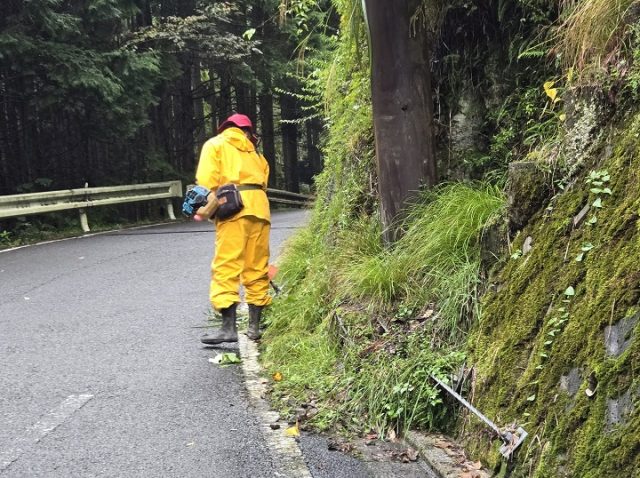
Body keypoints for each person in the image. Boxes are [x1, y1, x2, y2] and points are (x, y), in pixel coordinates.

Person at [195, 113, 272, 344]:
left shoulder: (215, 144)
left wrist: (205, 210)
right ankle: (254, 327)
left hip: (233, 208)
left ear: (226, 128)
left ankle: (228, 329)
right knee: (257, 267)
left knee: (227, 265)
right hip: (260, 210)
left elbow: (206, 182)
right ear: (247, 132)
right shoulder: (257, 154)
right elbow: (264, 183)